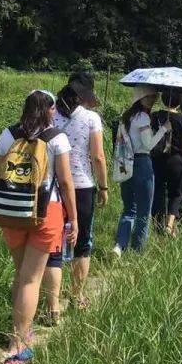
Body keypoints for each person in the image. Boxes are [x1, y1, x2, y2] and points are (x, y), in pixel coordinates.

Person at [0, 90, 76, 364]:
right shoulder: (57, 138)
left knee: (21, 274)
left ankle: (16, 335)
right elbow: (65, 183)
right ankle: (20, 345)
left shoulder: (8, 134)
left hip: (12, 210)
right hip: (46, 212)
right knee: (31, 279)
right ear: (50, 110)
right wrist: (73, 219)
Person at [41, 76, 108, 324]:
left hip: (52, 188)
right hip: (81, 186)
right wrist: (104, 186)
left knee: (53, 245)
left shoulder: (49, 115)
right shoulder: (91, 119)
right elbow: (98, 156)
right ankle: (77, 296)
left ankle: (52, 304)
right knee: (82, 242)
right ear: (84, 97)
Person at [114, 86, 167, 255]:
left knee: (129, 209)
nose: (152, 100)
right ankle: (137, 251)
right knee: (144, 211)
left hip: (125, 164)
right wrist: (164, 129)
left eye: (153, 97)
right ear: (141, 99)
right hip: (142, 164)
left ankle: (119, 246)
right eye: (149, 97)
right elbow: (148, 145)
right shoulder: (143, 117)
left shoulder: (126, 116)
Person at [151, 90, 182, 237]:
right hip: (176, 161)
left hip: (157, 159)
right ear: (179, 102)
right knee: (176, 193)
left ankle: (157, 225)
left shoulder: (154, 116)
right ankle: (169, 225)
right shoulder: (181, 120)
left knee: (158, 192)